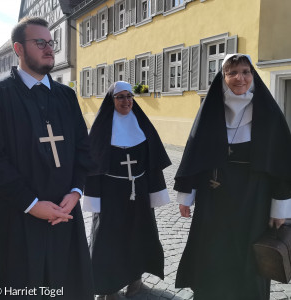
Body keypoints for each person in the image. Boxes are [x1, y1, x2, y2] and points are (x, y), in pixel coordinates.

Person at [0, 17, 94, 300]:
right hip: (18, 219)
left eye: (51, 43)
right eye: (40, 43)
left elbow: (82, 150)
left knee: (66, 288)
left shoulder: (66, 96)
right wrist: (31, 204)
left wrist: (75, 192)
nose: (49, 49)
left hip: (64, 215)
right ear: (18, 49)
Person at [174, 54, 291, 300]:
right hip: (214, 198)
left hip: (254, 198)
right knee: (212, 250)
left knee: (248, 254)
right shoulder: (211, 112)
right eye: (233, 72)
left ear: (253, 75)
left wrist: (280, 208)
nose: (240, 78)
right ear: (223, 78)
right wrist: (187, 194)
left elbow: (282, 163)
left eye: (246, 72)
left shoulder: (268, 113)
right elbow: (195, 154)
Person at [83, 81, 171, 300]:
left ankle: (135, 279)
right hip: (111, 194)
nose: (126, 101)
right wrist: (93, 197)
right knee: (108, 238)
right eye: (120, 97)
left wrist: (155, 192)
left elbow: (153, 162)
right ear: (111, 101)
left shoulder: (142, 125)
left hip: (138, 192)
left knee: (138, 235)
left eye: (129, 96)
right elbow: (93, 166)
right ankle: (108, 286)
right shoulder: (103, 128)